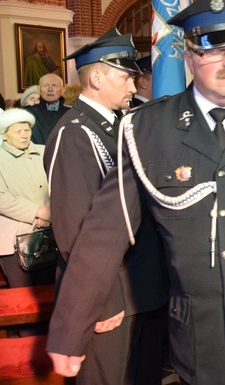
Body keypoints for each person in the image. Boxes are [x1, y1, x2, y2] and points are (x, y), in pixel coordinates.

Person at [45, 0, 225, 384]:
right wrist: (70, 327)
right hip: (203, 339)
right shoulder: (147, 129)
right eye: (214, 51)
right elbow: (102, 232)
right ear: (189, 56)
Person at [44, 31, 167, 384]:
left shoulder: (118, 125)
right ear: (97, 77)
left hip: (141, 289)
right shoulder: (75, 133)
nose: (134, 86)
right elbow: (74, 229)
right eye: (126, 77)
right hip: (111, 297)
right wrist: (103, 300)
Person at [0, 109, 55, 289]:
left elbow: (59, 183)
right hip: (14, 241)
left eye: (27, 130)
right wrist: (39, 212)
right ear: (4, 134)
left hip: (49, 236)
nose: (24, 135)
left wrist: (50, 212)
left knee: (53, 295)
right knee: (23, 298)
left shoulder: (44, 151)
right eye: (18, 131)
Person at [25, 73, 69, 144]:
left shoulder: (70, 113)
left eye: (54, 85)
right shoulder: (28, 113)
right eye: (46, 86)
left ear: (62, 90)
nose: (50, 89)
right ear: (39, 90)